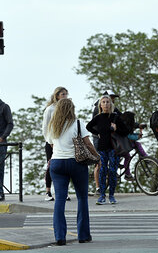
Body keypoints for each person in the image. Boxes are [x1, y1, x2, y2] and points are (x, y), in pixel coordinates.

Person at [48, 98, 94, 245]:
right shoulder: (78, 123)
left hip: (56, 164)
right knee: (82, 198)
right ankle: (83, 235)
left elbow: (51, 143)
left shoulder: (53, 125)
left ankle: (60, 237)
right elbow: (87, 143)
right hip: (76, 163)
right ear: (71, 109)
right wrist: (97, 156)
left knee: (60, 200)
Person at [86, 95, 129, 205]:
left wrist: (116, 129)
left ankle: (111, 195)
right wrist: (98, 133)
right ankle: (102, 196)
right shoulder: (98, 117)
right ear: (100, 104)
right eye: (103, 102)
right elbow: (88, 127)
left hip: (114, 148)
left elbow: (126, 131)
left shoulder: (116, 117)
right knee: (102, 170)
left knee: (112, 171)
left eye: (107, 102)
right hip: (102, 147)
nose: (105, 104)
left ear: (111, 104)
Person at [90, 90, 121, 195]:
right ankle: (98, 187)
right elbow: (94, 124)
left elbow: (122, 119)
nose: (112, 99)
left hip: (111, 139)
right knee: (99, 164)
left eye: (112, 98)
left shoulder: (114, 109)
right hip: (98, 138)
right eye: (111, 97)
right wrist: (99, 132)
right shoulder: (97, 109)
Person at [42, 87, 69, 201]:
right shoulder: (50, 109)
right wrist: (50, 141)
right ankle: (48, 191)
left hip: (64, 142)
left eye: (66, 94)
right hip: (52, 142)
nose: (65, 96)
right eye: (62, 94)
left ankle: (64, 192)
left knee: (65, 166)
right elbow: (45, 127)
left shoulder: (67, 109)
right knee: (51, 166)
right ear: (57, 95)